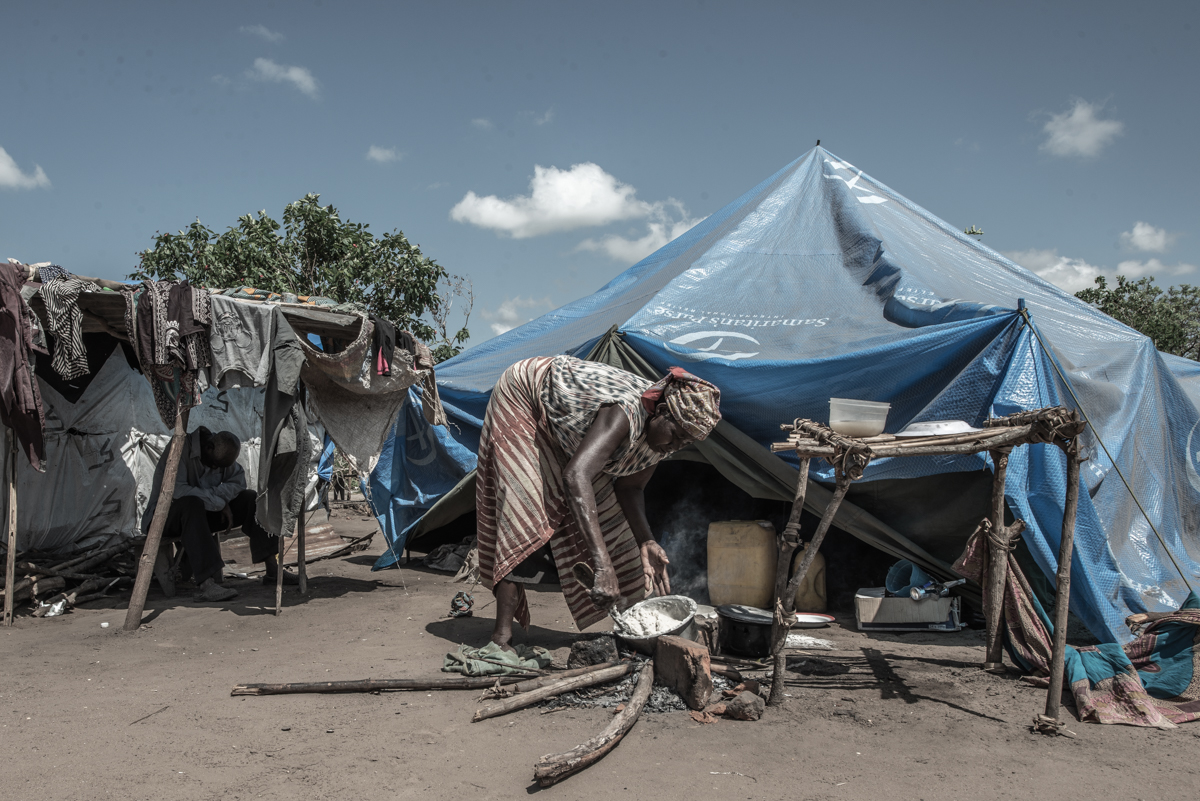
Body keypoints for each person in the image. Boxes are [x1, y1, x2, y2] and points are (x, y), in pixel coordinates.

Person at [477, 356, 721, 650]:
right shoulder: (623, 414)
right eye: (677, 436)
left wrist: (646, 541)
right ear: (664, 412)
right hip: (525, 397)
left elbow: (630, 488)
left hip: (569, 432)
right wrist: (602, 566)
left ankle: (635, 632)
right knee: (526, 509)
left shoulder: (661, 439)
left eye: (686, 443)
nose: (676, 447)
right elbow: (576, 476)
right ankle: (501, 638)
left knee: (611, 523)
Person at [143, 426, 296, 602]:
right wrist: (217, 502)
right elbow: (178, 491)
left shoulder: (218, 453)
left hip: (200, 516)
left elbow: (238, 481)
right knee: (192, 504)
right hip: (165, 518)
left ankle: (272, 569)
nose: (216, 468)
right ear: (208, 448)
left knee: (251, 499)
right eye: (214, 465)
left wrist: (220, 499)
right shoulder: (180, 448)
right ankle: (206, 584)